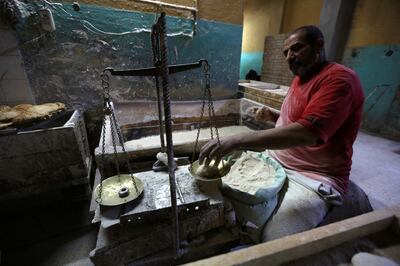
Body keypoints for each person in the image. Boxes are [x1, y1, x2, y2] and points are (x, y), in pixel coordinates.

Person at [199, 25, 369, 242]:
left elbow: (308, 132)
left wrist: (238, 140)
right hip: (274, 160)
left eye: (297, 49)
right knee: (219, 195)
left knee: (276, 240)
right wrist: (274, 116)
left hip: (311, 176)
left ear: (319, 45)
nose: (290, 56)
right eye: (286, 52)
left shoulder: (339, 80)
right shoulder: (300, 78)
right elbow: (303, 118)